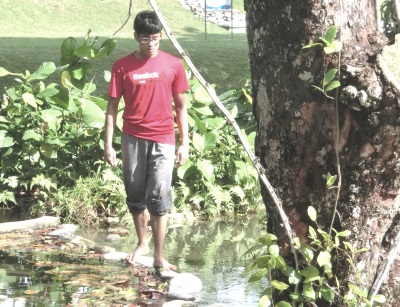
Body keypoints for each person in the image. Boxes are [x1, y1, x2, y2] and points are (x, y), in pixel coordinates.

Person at [104, 10, 189, 271]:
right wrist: (109, 143)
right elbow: (112, 107)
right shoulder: (122, 66)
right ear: (135, 37)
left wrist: (185, 142)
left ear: (161, 36)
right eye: (145, 39)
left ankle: (159, 256)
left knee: (159, 196)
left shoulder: (173, 65)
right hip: (132, 138)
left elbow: (181, 107)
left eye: (155, 38)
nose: (150, 44)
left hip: (164, 138)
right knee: (135, 193)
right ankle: (142, 243)